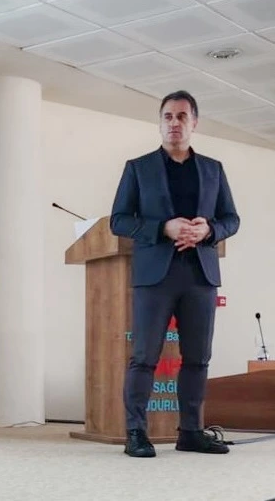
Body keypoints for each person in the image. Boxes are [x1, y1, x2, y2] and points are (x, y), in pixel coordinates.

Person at [110, 90, 240, 457]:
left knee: (198, 358)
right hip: (156, 276)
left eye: (182, 116)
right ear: (160, 123)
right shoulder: (138, 168)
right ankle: (136, 433)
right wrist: (162, 228)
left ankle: (191, 433)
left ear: (194, 122)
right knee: (144, 357)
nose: (174, 123)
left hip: (200, 274)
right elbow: (119, 220)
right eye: (167, 116)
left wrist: (209, 230)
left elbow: (231, 219)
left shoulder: (213, 169)